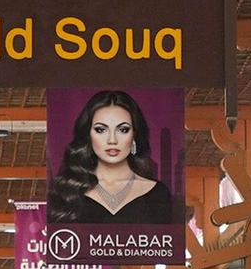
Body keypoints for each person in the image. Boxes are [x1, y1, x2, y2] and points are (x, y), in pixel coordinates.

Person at [48, 89, 179, 225]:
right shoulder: (65, 192)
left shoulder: (157, 195)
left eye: (123, 130)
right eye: (101, 130)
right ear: (88, 135)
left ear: (134, 134)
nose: (112, 140)